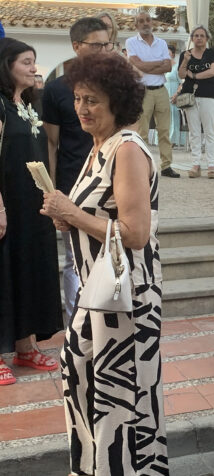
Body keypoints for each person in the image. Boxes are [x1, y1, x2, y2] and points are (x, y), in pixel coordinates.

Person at [40, 52, 168, 475]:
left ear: (117, 102)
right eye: (78, 98)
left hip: (124, 301)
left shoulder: (127, 150)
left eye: (92, 99)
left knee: (118, 401)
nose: (81, 108)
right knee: (84, 383)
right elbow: (103, 218)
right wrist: (70, 219)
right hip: (96, 295)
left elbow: (134, 233)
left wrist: (74, 214)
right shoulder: (99, 149)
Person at [0, 38, 62, 386]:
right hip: (7, 204)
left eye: (33, 61)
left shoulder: (28, 105)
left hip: (32, 207)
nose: (33, 68)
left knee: (27, 271)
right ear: (6, 65)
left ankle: (26, 345)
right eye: (26, 61)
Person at [42, 17, 111, 325]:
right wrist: (53, 190)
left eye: (107, 44)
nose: (103, 50)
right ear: (76, 46)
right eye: (97, 44)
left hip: (111, 180)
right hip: (74, 182)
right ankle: (77, 323)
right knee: (74, 259)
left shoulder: (114, 84)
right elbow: (52, 144)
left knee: (110, 249)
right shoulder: (56, 89)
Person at [126, 12, 178, 178]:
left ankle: (166, 165)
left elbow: (168, 67)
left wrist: (147, 65)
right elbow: (139, 65)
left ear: (152, 22)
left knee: (164, 130)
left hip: (161, 90)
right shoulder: (131, 42)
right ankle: (144, 166)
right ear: (136, 25)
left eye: (148, 20)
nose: (145, 23)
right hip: (143, 91)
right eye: (141, 21)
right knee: (142, 131)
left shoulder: (161, 43)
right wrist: (157, 63)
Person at [178, 26, 214, 179]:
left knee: (209, 131)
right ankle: (195, 164)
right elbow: (182, 74)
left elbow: (213, 71)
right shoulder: (186, 54)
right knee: (194, 132)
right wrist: (185, 61)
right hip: (190, 96)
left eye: (202, 35)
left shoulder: (213, 53)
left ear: (206, 38)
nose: (198, 38)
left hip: (209, 95)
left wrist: (194, 75)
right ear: (192, 38)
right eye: (196, 35)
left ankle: (211, 164)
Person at [166, 45, 186, 147]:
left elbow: (182, 83)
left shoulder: (176, 67)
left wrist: (176, 95)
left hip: (173, 94)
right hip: (163, 94)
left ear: (173, 55)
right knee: (164, 118)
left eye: (168, 53)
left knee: (174, 118)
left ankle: (173, 140)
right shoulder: (162, 66)